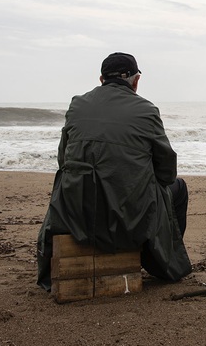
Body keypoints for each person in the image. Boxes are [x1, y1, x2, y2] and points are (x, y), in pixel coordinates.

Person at [36, 52, 191, 291]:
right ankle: (160, 262)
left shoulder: (77, 105)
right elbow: (167, 171)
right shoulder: (147, 110)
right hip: (128, 219)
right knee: (178, 189)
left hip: (75, 215)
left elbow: (63, 160)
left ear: (101, 79)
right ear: (136, 80)